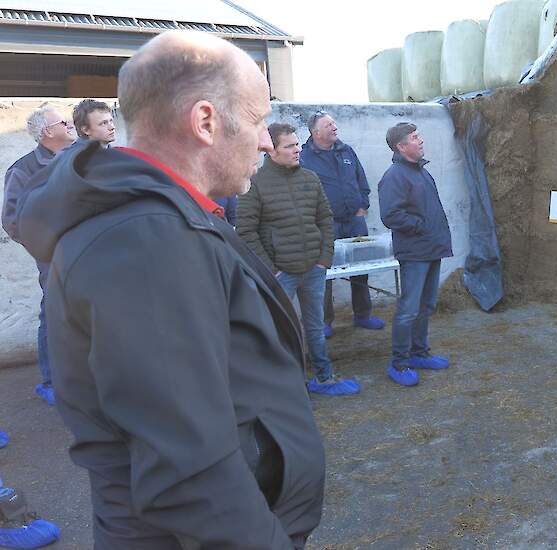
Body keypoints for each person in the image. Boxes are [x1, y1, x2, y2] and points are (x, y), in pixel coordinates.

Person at [14, 30, 325, 548]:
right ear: (205, 121)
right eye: (256, 120)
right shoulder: (144, 239)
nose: (266, 140)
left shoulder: (169, 219)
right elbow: (189, 472)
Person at [237, 122, 360, 396]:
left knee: (315, 327)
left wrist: (323, 259)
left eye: (296, 144)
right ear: (272, 151)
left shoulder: (310, 178)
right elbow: (245, 231)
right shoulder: (255, 183)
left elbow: (325, 219)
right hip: (282, 275)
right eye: (289, 146)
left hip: (313, 269)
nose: (297, 150)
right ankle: (288, 388)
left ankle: (324, 377)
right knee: (279, 331)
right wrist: (272, 270)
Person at [2, 106, 75, 406]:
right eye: (63, 121)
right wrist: (47, 246)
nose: (71, 124)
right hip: (54, 255)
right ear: (47, 132)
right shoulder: (23, 169)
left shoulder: (77, 158)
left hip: (88, 250)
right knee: (54, 313)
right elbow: (12, 219)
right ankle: (49, 381)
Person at [378, 122, 453, 386]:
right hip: (415, 252)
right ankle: (399, 363)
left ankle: (419, 353)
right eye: (414, 137)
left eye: (419, 135)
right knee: (409, 309)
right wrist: (420, 227)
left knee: (426, 305)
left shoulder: (421, 172)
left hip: (432, 249)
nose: (421, 140)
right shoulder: (395, 176)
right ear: (401, 146)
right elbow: (391, 215)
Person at [299, 112, 385, 336]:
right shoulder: (304, 157)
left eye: (334, 123)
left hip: (354, 221)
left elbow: (361, 180)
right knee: (323, 271)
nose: (334, 127)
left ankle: (363, 315)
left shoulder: (346, 151)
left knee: (362, 266)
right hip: (325, 224)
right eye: (328, 125)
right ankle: (325, 321)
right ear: (315, 132)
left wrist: (362, 206)